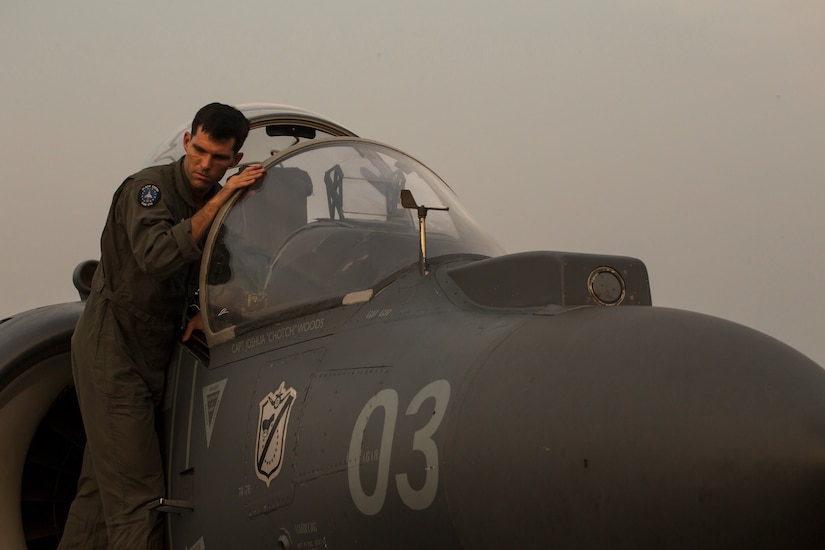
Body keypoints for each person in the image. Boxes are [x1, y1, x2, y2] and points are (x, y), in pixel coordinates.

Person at [58, 103, 265, 549]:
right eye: (201, 152)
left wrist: (204, 307)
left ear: (236, 160)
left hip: (156, 350)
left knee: (98, 499)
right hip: (114, 349)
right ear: (189, 142)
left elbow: (221, 269)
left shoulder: (209, 204)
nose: (206, 165)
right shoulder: (148, 190)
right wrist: (220, 200)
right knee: (140, 503)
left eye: (219, 159)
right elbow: (155, 257)